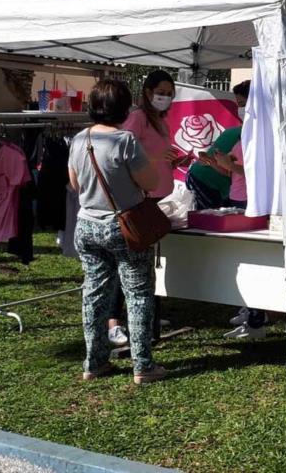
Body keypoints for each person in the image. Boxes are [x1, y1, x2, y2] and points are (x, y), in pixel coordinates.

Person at [69, 79, 167, 384]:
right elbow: (150, 182)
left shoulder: (78, 140)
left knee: (94, 294)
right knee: (137, 294)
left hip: (86, 224)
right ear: (125, 108)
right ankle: (143, 365)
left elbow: (75, 184)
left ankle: (94, 362)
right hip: (124, 225)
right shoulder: (124, 141)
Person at [103, 70, 179, 347]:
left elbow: (151, 154)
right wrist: (157, 157)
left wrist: (169, 161)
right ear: (147, 92)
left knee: (143, 262)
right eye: (161, 91)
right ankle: (113, 321)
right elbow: (121, 151)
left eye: (170, 93)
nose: (166, 97)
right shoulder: (138, 117)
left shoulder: (159, 119)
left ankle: (144, 315)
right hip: (139, 199)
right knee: (128, 261)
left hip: (155, 197)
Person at [213, 115, 267, 340]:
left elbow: (255, 174)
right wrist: (219, 165)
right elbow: (232, 171)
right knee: (240, 258)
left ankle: (257, 319)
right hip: (236, 200)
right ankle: (248, 310)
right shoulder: (240, 140)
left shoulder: (261, 143)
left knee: (252, 258)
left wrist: (230, 165)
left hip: (250, 202)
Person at [185, 80, 250, 210]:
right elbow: (229, 170)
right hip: (230, 193)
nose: (240, 109)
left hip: (240, 196)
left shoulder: (254, 136)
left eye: (242, 104)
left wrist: (221, 163)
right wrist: (214, 162)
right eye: (239, 105)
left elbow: (248, 172)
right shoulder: (240, 134)